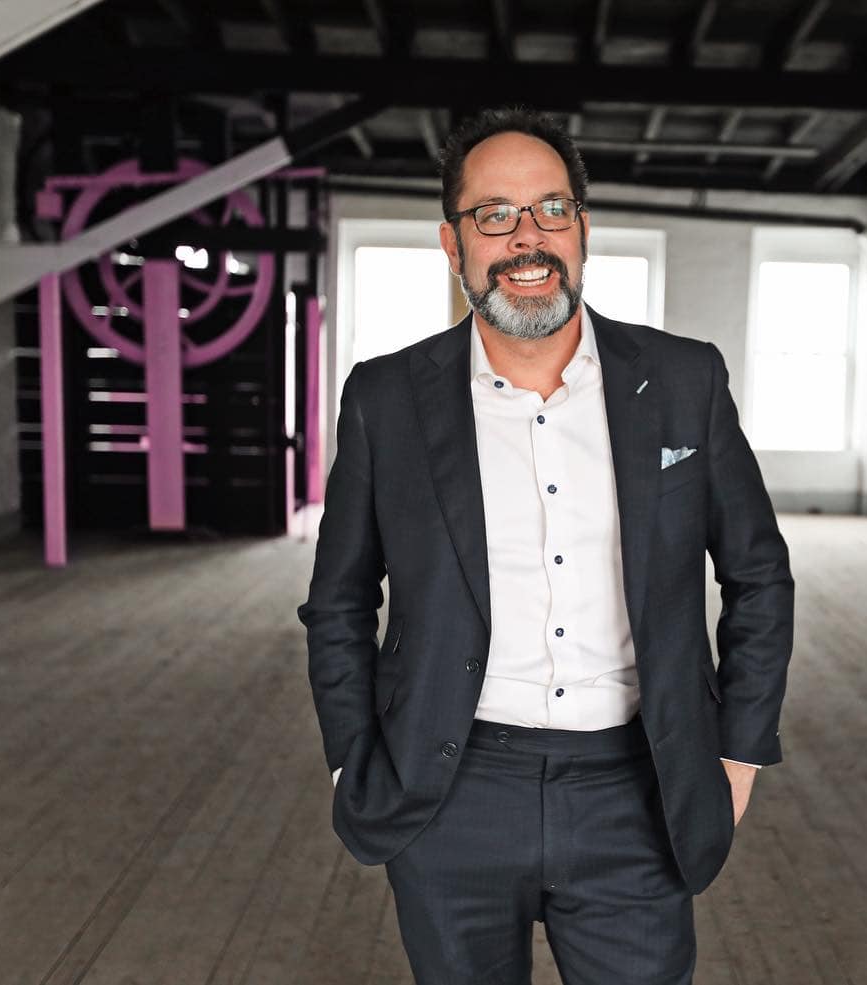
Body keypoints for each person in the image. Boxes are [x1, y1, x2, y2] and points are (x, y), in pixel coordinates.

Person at [298, 105, 794, 985]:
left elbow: (758, 575)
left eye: (551, 209)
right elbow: (339, 600)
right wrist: (351, 761)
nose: (527, 237)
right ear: (453, 245)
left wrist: (739, 753)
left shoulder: (685, 379)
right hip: (449, 794)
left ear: (583, 228)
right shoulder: (386, 398)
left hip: (637, 793)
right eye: (494, 214)